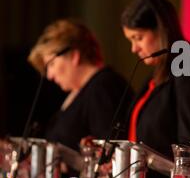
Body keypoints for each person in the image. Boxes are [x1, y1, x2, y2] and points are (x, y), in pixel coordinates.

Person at [121, 0, 190, 178]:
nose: (134, 48)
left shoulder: (188, 71)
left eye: (138, 38)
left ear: (161, 29)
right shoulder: (155, 76)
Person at [28, 19, 133, 152]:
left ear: (74, 56)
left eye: (51, 64)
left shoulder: (103, 87)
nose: (49, 75)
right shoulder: (80, 91)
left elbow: (108, 155)